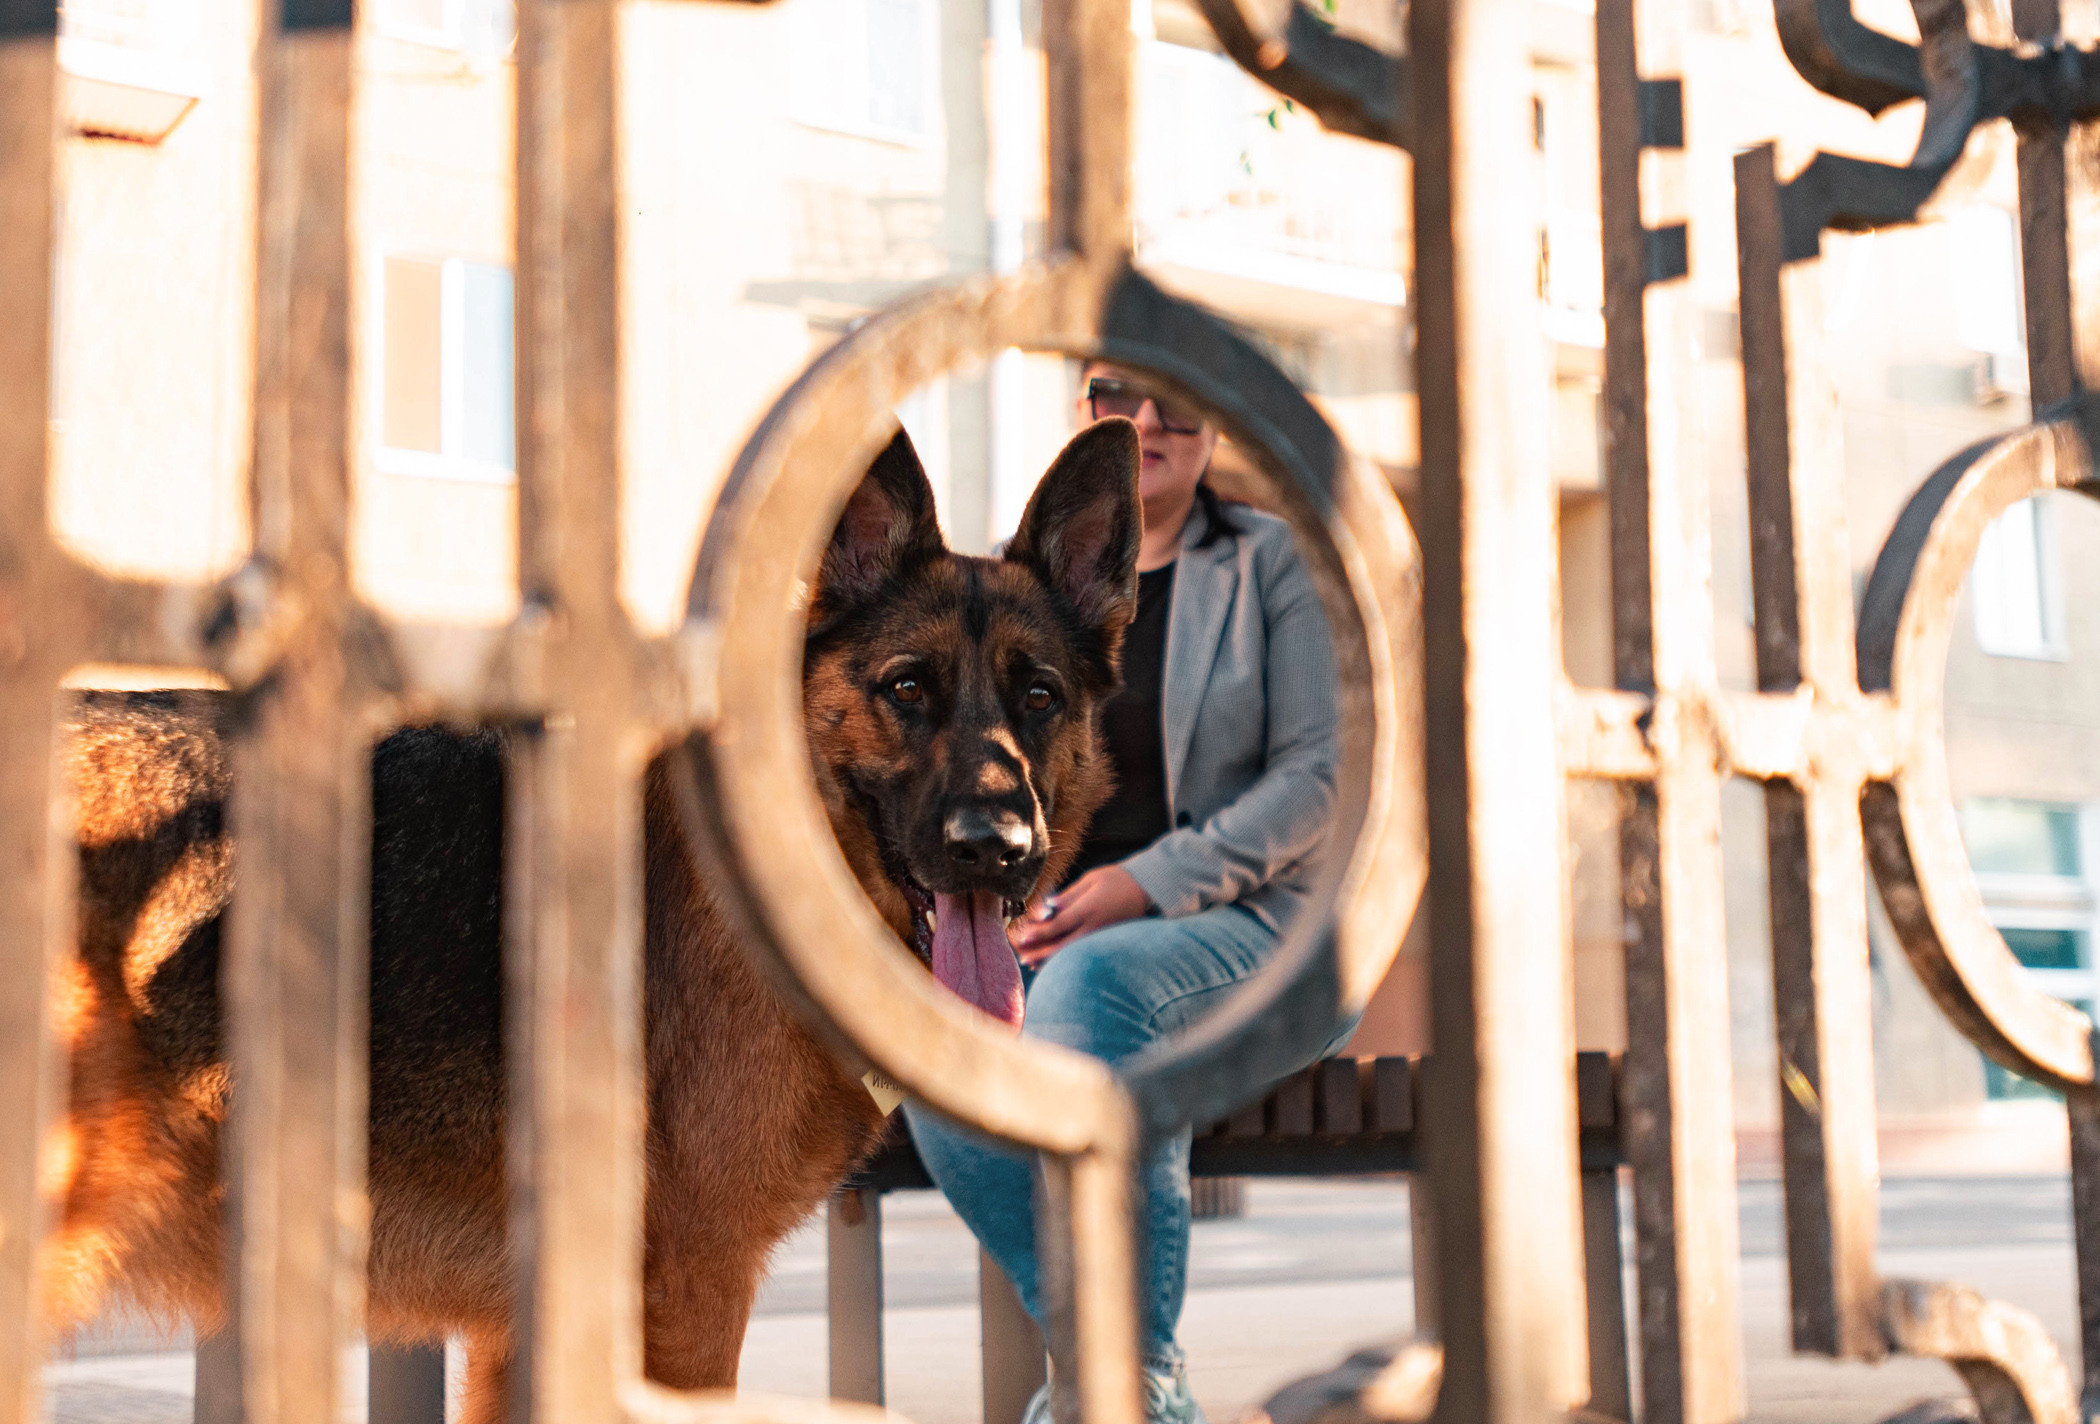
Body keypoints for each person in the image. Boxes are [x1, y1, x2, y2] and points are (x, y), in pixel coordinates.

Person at [901, 363, 1347, 1424]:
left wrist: (1140, 886)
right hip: (1064, 938)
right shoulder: (1024, 596)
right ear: (1084, 410)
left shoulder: (1273, 566)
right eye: (1119, 394)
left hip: (1262, 931)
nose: (1148, 420)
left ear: (1214, 421)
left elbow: (1317, 781)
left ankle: (1127, 1389)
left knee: (1094, 990)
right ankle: (1121, 1364)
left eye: (1179, 398)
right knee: (931, 1040)